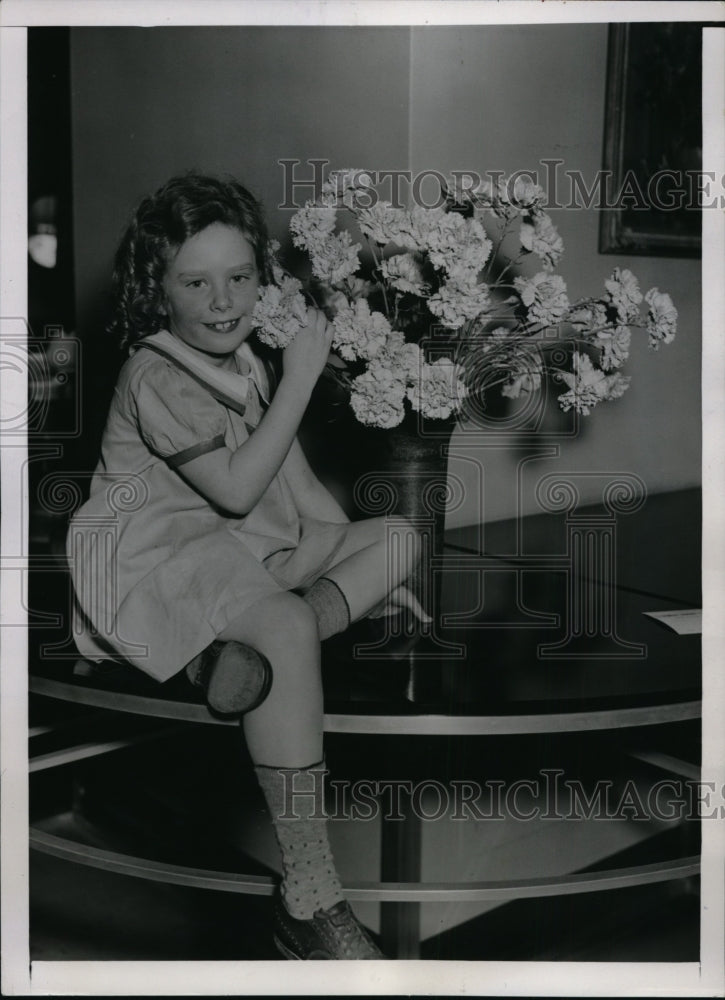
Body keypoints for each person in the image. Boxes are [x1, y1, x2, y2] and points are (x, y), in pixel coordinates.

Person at [67, 173, 429, 960]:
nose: (223, 301)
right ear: (156, 290)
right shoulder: (155, 372)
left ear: (262, 280)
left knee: (400, 534)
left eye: (239, 278)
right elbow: (232, 488)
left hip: (243, 557)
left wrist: (363, 573)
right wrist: (302, 375)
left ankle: (239, 655)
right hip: (157, 563)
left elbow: (300, 496)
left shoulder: (251, 367)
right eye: (196, 282)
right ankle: (310, 893)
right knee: (287, 620)